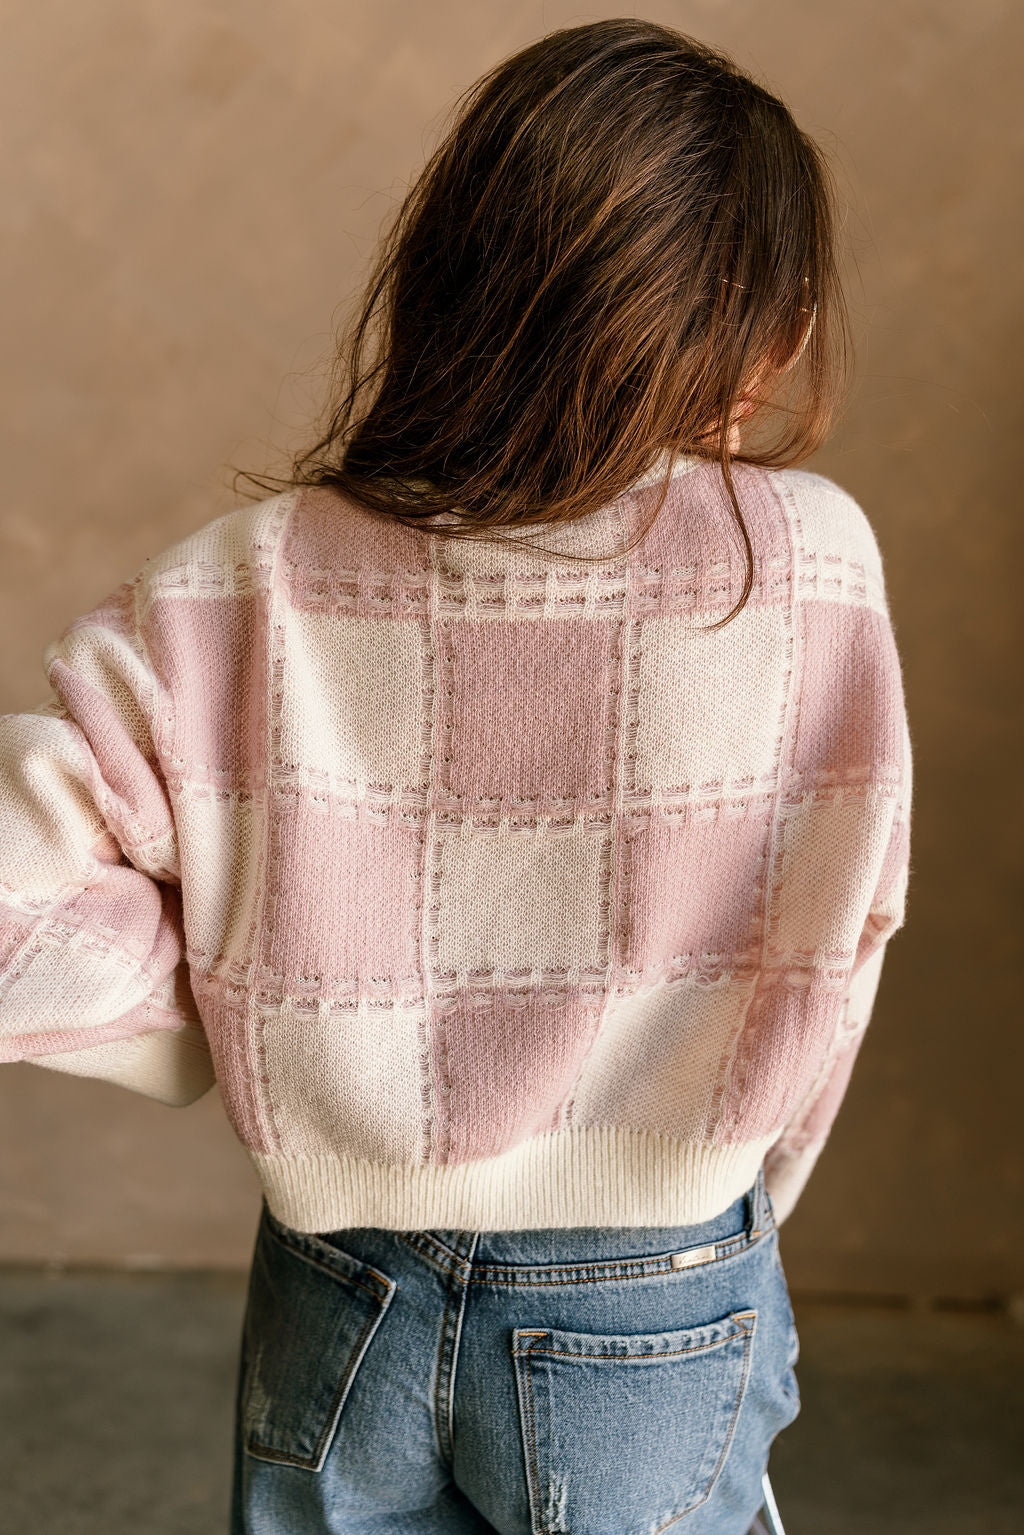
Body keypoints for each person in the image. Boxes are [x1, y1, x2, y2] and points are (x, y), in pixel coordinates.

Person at [0, 18, 911, 1535]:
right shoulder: (809, 568)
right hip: (657, 1292)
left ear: (453, 278)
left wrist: (232, 1018)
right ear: (758, 330)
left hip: (341, 1279)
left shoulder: (244, 586)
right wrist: (724, 1185)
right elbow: (846, 935)